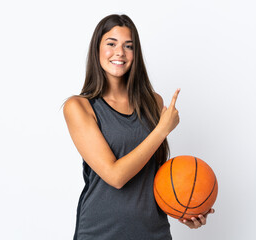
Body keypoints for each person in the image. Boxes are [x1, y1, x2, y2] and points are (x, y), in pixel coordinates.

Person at [63, 14, 214, 240]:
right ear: (97, 49)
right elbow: (115, 176)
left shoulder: (153, 102)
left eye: (128, 46)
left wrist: (184, 207)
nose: (120, 53)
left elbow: (154, 176)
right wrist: (162, 129)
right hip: (100, 232)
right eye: (111, 44)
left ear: (136, 54)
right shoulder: (79, 107)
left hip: (153, 232)